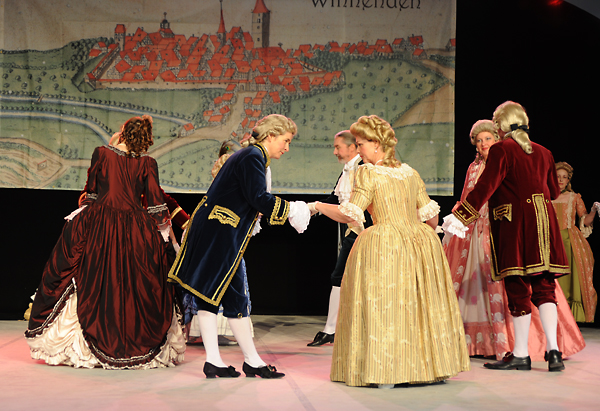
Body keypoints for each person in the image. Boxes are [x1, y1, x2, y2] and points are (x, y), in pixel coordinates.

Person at [312, 115, 470, 388]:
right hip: (419, 241)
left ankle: (385, 371)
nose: (359, 149)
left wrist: (316, 206)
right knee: (415, 306)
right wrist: (420, 238)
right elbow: (431, 217)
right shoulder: (410, 172)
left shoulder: (368, 172)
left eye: (361, 144)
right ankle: (426, 368)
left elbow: (351, 213)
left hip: (385, 243)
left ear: (376, 144)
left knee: (386, 305)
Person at [25, 115, 186, 369]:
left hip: (101, 222)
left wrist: (85, 214)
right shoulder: (147, 163)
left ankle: (86, 343)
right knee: (132, 283)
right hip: (136, 228)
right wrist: (166, 236)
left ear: (123, 131)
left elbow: (91, 191)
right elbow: (156, 204)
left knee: (95, 275)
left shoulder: (102, 153)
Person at [168, 114, 311, 379]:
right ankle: (240, 361)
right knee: (219, 294)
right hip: (219, 233)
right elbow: (258, 198)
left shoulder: (252, 156)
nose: (287, 147)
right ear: (271, 136)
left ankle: (226, 361)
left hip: (221, 232)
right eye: (286, 140)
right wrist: (295, 210)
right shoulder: (252, 157)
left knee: (226, 296)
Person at [444, 101, 570, 372]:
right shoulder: (544, 152)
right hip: (544, 226)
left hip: (516, 227)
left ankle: (521, 354)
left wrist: (461, 216)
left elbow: (485, 187)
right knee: (544, 287)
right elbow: (553, 192)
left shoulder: (502, 150)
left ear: (501, 125)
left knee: (518, 287)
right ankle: (554, 352)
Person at [307, 130, 372, 347]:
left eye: (338, 147)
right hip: (352, 232)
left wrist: (316, 207)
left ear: (352, 147)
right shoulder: (348, 170)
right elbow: (335, 199)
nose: (335, 152)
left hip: (367, 233)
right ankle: (331, 329)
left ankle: (346, 329)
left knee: (356, 279)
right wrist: (309, 210)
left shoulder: (364, 169)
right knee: (339, 277)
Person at [553, 161, 598, 322]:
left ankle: (571, 318)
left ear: (568, 180)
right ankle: (552, 314)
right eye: (558, 176)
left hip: (570, 241)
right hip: (551, 240)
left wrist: (593, 210)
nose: (561, 180)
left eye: (564, 177)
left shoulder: (574, 197)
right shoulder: (545, 196)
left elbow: (585, 220)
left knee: (572, 279)